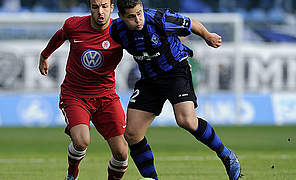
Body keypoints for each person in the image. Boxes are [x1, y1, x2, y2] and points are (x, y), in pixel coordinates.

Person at [109, 0, 242, 180]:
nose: (138, 20)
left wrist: (207, 35)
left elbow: (190, 22)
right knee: (132, 134)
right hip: (149, 80)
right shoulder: (116, 29)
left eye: (139, 13)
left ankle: (226, 155)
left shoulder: (159, 18)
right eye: (131, 17)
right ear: (122, 17)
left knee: (186, 120)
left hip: (175, 71)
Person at [39, 0, 128, 179]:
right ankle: (72, 175)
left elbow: (145, 48)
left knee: (121, 153)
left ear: (112, 8)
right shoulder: (74, 25)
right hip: (75, 95)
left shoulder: (122, 31)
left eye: (104, 6)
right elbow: (60, 36)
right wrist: (44, 55)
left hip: (107, 96)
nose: (100, 12)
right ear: (90, 8)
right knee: (81, 141)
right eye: (95, 7)